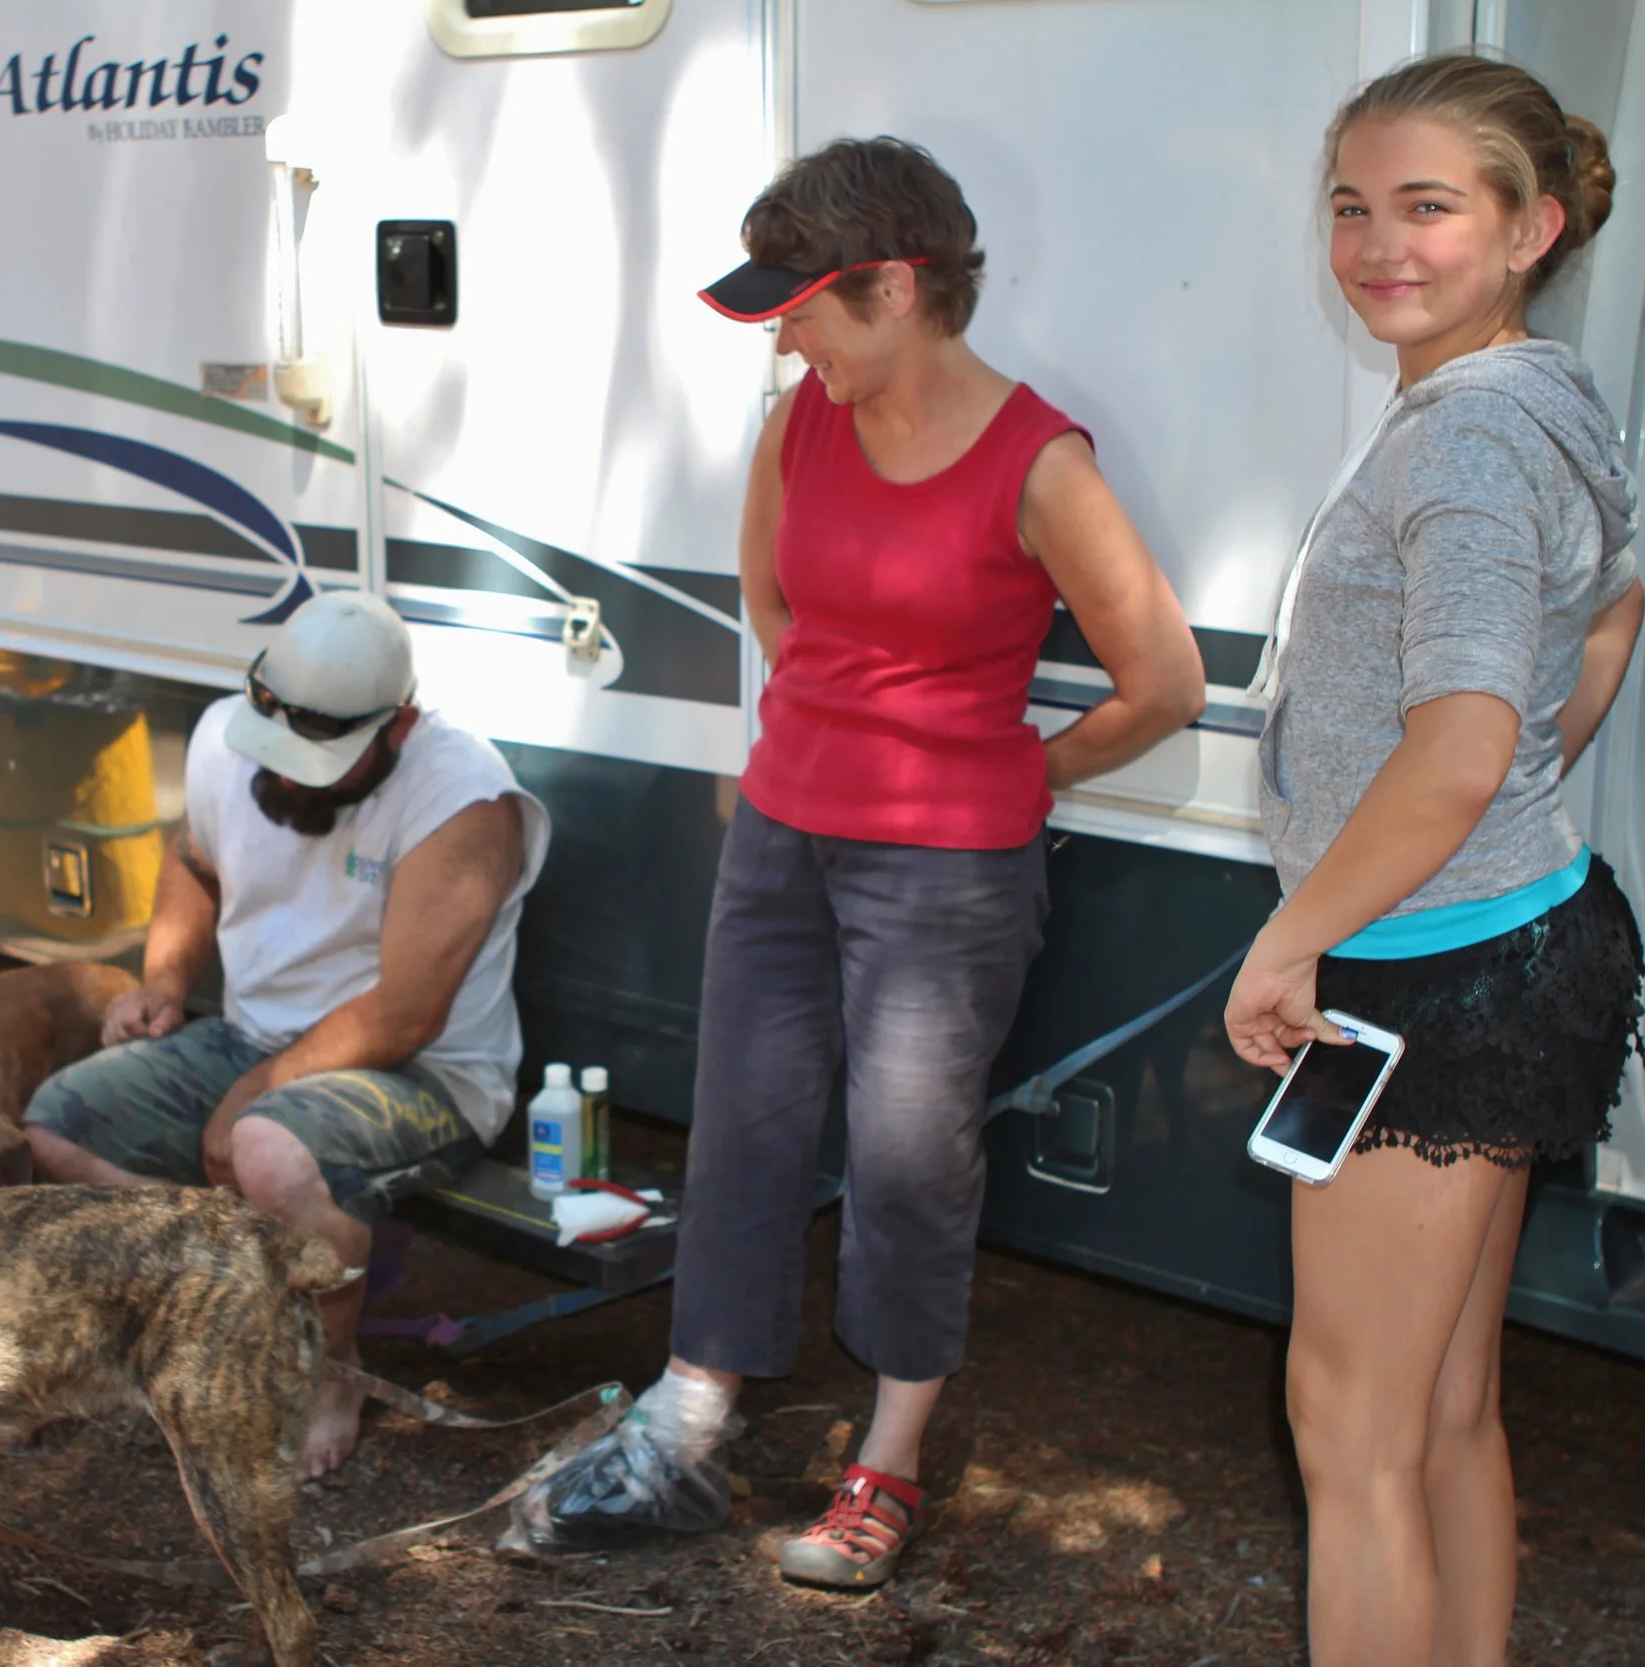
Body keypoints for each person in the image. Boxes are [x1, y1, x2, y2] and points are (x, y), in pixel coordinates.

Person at [516, 139, 1205, 1581]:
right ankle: (686, 1418)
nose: (785, 341)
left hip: (946, 871)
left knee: (906, 1162)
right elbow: (772, 600)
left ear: (898, 288)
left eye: (804, 310)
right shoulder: (801, 423)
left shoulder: (1041, 462)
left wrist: (1015, 771)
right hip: (782, 835)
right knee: (743, 1125)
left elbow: (1165, 682)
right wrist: (831, 739)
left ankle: (884, 1463)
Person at [1223, 55, 1644, 1666]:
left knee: (1351, 1428)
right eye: (1352, 207)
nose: (1379, 245)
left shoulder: (1461, 438)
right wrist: (1527, 778)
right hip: (1525, 931)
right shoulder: (1544, 393)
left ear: (1531, 228)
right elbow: (1606, 606)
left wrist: (1290, 940)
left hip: (1428, 971)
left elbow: (1459, 745)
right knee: (1447, 1403)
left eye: (1428, 207)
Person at [25, 590, 550, 1476]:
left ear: (398, 727)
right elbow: (194, 860)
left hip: (427, 1072)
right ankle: (232, 1296)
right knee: (56, 1125)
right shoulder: (223, 739)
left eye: (322, 762)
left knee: (268, 1147)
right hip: (254, 1040)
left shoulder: (463, 798)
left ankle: (330, 1372)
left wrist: (256, 1091)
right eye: (279, 753)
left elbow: (406, 1013)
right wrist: (165, 981)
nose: (292, 778)